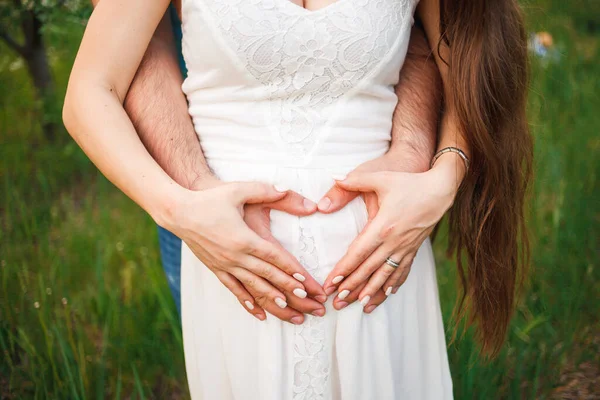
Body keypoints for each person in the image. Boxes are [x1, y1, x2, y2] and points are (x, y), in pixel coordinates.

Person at [63, 0, 533, 398]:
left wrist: (442, 179)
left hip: (385, 254)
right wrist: (177, 210)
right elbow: (91, 89)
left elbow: (465, 58)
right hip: (228, 251)